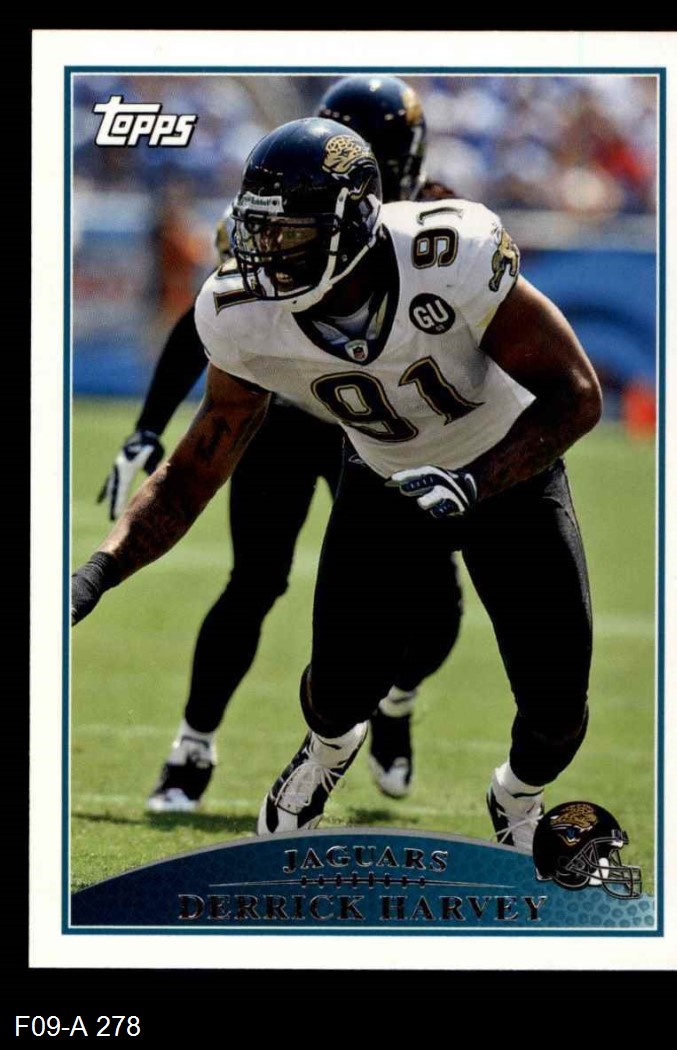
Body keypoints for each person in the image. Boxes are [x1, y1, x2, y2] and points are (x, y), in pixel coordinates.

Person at [73, 115, 602, 855]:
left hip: (512, 469)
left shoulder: (448, 253)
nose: (263, 252)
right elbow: (193, 472)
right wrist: (92, 577)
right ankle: (324, 754)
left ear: (351, 224)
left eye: (286, 234)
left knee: (557, 710)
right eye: (258, 230)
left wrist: (475, 483)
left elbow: (576, 394)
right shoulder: (242, 312)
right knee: (337, 691)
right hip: (386, 478)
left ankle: (516, 794)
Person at [97, 76, 463, 813]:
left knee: (435, 597)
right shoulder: (287, 211)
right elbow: (212, 316)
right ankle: (191, 746)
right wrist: (149, 424)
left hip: (382, 428)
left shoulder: (441, 223)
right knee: (254, 580)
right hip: (288, 413)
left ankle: (395, 700)